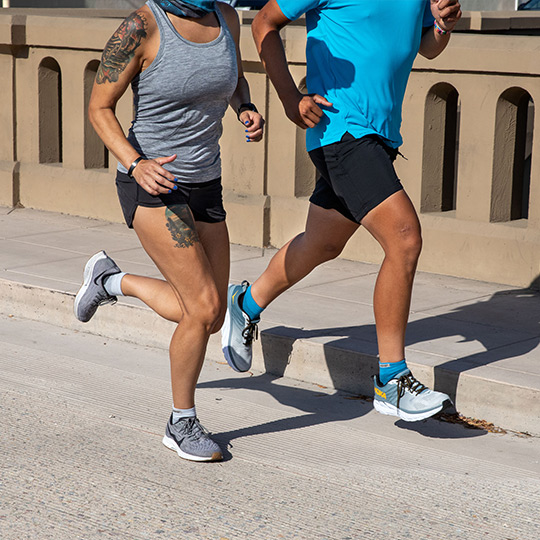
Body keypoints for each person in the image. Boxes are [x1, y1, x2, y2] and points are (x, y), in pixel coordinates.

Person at [221, 0, 462, 422]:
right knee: (404, 238)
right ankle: (392, 379)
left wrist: (442, 24)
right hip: (342, 128)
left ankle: (246, 303)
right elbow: (263, 24)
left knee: (322, 243)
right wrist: (291, 99)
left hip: (380, 133)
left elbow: (427, 47)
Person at [74, 0, 264, 462]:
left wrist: (245, 106)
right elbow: (100, 107)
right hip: (152, 183)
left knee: (211, 314)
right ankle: (181, 422)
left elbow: (232, 74)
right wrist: (135, 164)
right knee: (202, 307)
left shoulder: (225, 16)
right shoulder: (141, 26)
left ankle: (110, 281)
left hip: (207, 181)